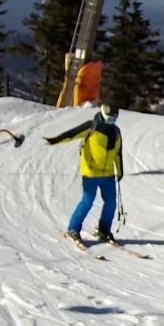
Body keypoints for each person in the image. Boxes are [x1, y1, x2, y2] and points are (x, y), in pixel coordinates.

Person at [45, 103, 124, 245]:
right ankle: (73, 229)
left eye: (114, 119)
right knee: (88, 201)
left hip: (108, 174)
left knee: (111, 203)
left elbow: (118, 153)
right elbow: (71, 134)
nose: (111, 121)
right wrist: (54, 140)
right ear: (103, 114)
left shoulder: (116, 132)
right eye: (110, 118)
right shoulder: (91, 127)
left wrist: (120, 170)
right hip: (91, 173)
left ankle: (104, 229)